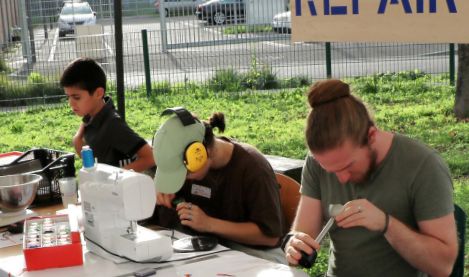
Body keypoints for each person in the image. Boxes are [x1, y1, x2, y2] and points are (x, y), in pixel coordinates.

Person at [283, 79, 458, 277]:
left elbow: (442, 266)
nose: (341, 179)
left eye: (348, 167)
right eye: (330, 170)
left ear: (371, 136)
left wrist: (386, 224)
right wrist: (295, 244)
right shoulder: (319, 161)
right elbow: (304, 232)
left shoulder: (423, 165)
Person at [152, 107, 289, 264]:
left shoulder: (253, 168)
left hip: (257, 254)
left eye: (184, 175)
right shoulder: (189, 161)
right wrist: (163, 187)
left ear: (203, 154)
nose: (183, 180)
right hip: (212, 247)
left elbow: (270, 238)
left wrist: (209, 224)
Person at [60, 57, 155, 172]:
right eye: (68, 97)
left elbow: (150, 158)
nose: (70, 103)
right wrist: (77, 138)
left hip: (119, 188)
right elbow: (84, 154)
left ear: (98, 93)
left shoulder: (112, 124)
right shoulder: (91, 115)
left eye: (76, 97)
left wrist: (113, 178)